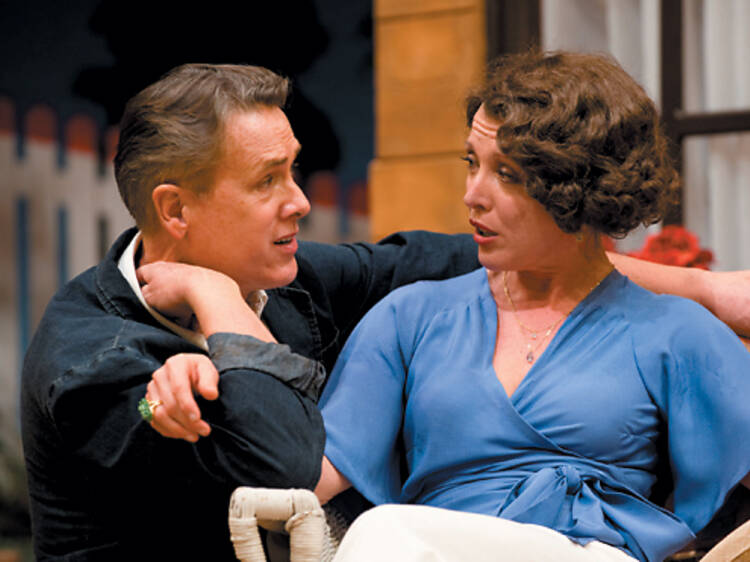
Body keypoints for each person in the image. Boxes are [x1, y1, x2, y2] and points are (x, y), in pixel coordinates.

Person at [141, 53, 750, 562]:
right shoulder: (411, 318)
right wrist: (204, 378)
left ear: (578, 189)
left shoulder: (677, 334)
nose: (472, 195)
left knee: (384, 533)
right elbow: (298, 477)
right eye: (472, 163)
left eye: (506, 174)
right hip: (427, 551)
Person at [19, 63, 481, 561]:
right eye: (266, 180)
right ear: (175, 210)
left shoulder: (281, 279)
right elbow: (288, 474)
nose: (300, 202)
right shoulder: (91, 367)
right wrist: (216, 296)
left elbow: (439, 261)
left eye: (292, 171)